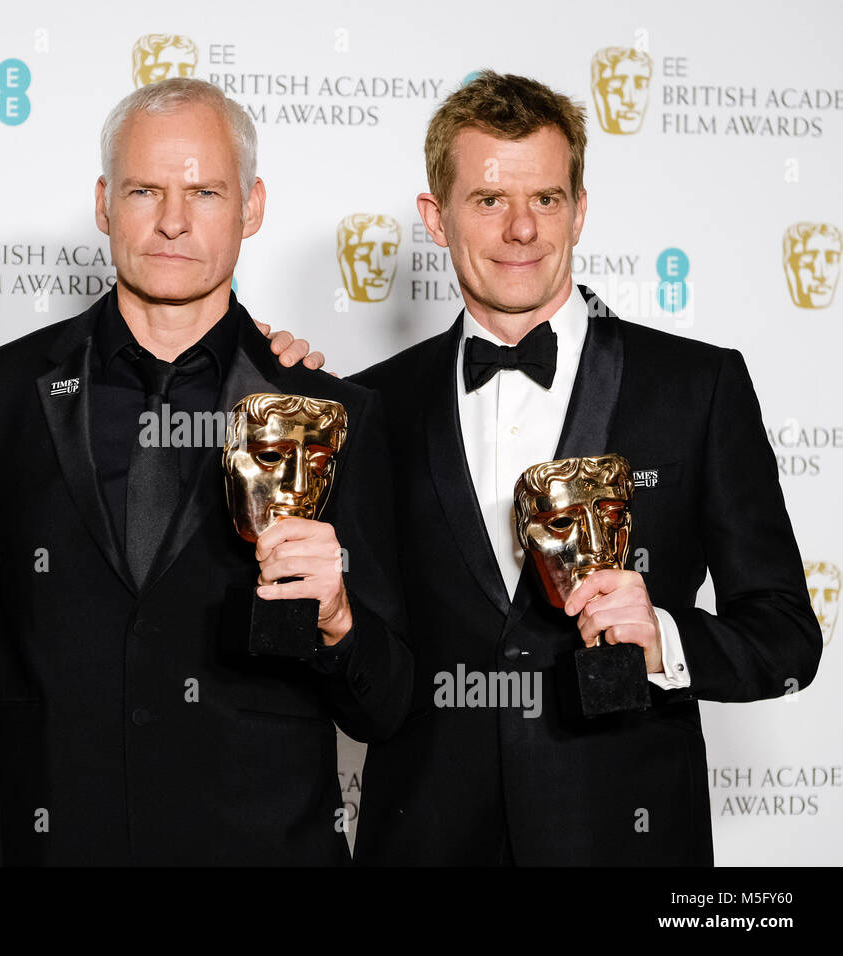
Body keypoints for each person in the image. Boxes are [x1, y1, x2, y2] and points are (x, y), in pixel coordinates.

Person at [351, 71, 820, 865]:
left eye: (547, 199)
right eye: (490, 201)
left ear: (581, 208)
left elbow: (786, 637)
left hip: (625, 838)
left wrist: (664, 640)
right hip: (424, 837)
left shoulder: (696, 387)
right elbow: (363, 657)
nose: (522, 229)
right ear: (437, 218)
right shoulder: (368, 405)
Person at [0, 78, 412, 865]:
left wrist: (336, 621)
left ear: (252, 206)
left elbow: (389, 702)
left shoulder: (330, 414)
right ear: (103, 203)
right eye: (144, 191)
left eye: (204, 191)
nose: (171, 221)